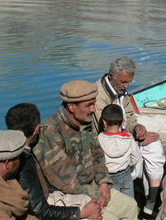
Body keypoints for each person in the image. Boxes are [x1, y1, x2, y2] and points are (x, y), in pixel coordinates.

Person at [33, 80, 138, 220]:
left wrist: (104, 184)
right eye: (89, 105)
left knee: (130, 205)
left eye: (94, 103)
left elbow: (98, 156)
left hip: (92, 187)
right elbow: (63, 180)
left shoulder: (85, 123)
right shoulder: (51, 132)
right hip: (68, 196)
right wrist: (96, 194)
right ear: (71, 106)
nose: (94, 109)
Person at [94, 56, 166, 216]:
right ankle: (150, 200)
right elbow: (107, 133)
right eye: (123, 82)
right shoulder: (100, 98)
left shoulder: (120, 91)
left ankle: (152, 201)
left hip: (125, 139)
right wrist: (135, 142)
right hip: (110, 149)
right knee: (151, 150)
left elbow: (130, 117)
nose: (126, 86)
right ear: (111, 76)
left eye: (129, 82)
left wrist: (138, 128)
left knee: (154, 144)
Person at [5, 102, 104, 220]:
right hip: (45, 206)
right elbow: (39, 210)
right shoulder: (23, 163)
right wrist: (79, 213)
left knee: (89, 202)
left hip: (51, 196)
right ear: (37, 128)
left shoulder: (23, 154)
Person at [98, 104, 141, 199]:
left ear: (104, 122)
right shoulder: (129, 137)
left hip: (108, 177)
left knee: (113, 202)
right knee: (129, 201)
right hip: (125, 173)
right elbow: (136, 157)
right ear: (123, 122)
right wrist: (127, 163)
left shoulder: (100, 139)